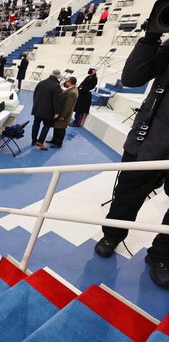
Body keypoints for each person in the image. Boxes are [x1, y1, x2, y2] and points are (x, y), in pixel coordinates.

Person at [94, 26, 169, 289]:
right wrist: (151, 37)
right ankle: (112, 235)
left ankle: (163, 256)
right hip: (148, 142)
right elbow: (133, 76)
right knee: (127, 195)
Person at [31, 69, 62, 150]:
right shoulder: (56, 86)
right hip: (48, 111)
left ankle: (34, 140)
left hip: (37, 108)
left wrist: (35, 105)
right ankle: (40, 142)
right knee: (47, 125)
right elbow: (56, 100)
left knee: (36, 124)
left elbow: (35, 95)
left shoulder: (41, 82)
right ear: (58, 76)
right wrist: (57, 112)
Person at [48, 76, 78, 148]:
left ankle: (58, 143)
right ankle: (54, 140)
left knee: (61, 129)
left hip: (64, 114)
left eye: (67, 81)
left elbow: (67, 105)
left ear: (70, 82)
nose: (65, 82)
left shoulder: (72, 92)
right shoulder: (70, 89)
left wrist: (63, 115)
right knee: (57, 127)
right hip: (61, 112)